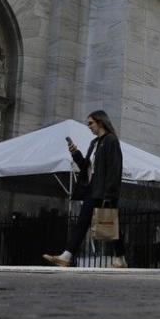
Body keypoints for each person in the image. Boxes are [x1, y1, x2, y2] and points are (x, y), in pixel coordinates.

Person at [43, 111, 127, 268]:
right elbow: (86, 167)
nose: (89, 127)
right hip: (93, 189)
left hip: (104, 191)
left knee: (110, 223)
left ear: (100, 122)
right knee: (84, 222)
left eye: (91, 123)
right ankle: (67, 256)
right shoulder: (94, 143)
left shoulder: (111, 141)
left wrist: (109, 194)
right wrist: (75, 154)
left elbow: (115, 169)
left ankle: (120, 257)